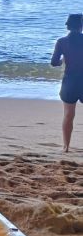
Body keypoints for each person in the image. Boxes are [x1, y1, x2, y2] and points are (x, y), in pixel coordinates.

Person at [51, 14, 83, 151]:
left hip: (69, 81)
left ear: (68, 26)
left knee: (68, 115)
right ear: (81, 26)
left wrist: (62, 61)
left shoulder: (62, 42)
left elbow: (54, 63)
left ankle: (66, 147)